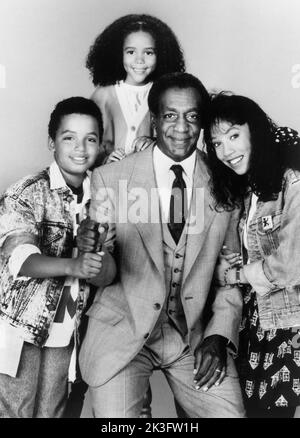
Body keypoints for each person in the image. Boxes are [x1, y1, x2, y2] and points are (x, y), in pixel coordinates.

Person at [76, 72, 245, 418]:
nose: (181, 128)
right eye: (170, 115)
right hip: (122, 331)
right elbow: (101, 276)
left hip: (192, 338)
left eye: (192, 116)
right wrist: (93, 253)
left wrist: (219, 334)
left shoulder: (225, 184)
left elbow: (230, 278)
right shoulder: (111, 177)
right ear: (153, 119)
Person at [0, 97, 115, 418]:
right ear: (52, 142)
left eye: (90, 139)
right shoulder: (27, 192)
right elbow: (20, 261)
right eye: (69, 138)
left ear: (100, 144)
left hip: (67, 329)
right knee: (15, 412)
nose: (80, 148)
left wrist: (95, 255)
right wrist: (73, 264)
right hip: (21, 328)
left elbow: (107, 275)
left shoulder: (104, 197)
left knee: (52, 413)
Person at [204, 92, 300, 418]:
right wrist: (223, 265)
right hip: (254, 326)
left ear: (254, 132)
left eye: (233, 136)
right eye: (217, 143)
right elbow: (238, 251)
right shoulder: (246, 192)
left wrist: (237, 275)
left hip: (290, 324)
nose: (226, 151)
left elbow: (292, 261)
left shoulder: (293, 181)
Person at [86, 14, 185, 165]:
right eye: (131, 52)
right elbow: (89, 142)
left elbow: (173, 142)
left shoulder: (163, 96)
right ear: (118, 54)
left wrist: (153, 142)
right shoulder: (103, 95)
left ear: (162, 55)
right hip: (109, 181)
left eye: (148, 52)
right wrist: (105, 160)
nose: (140, 60)